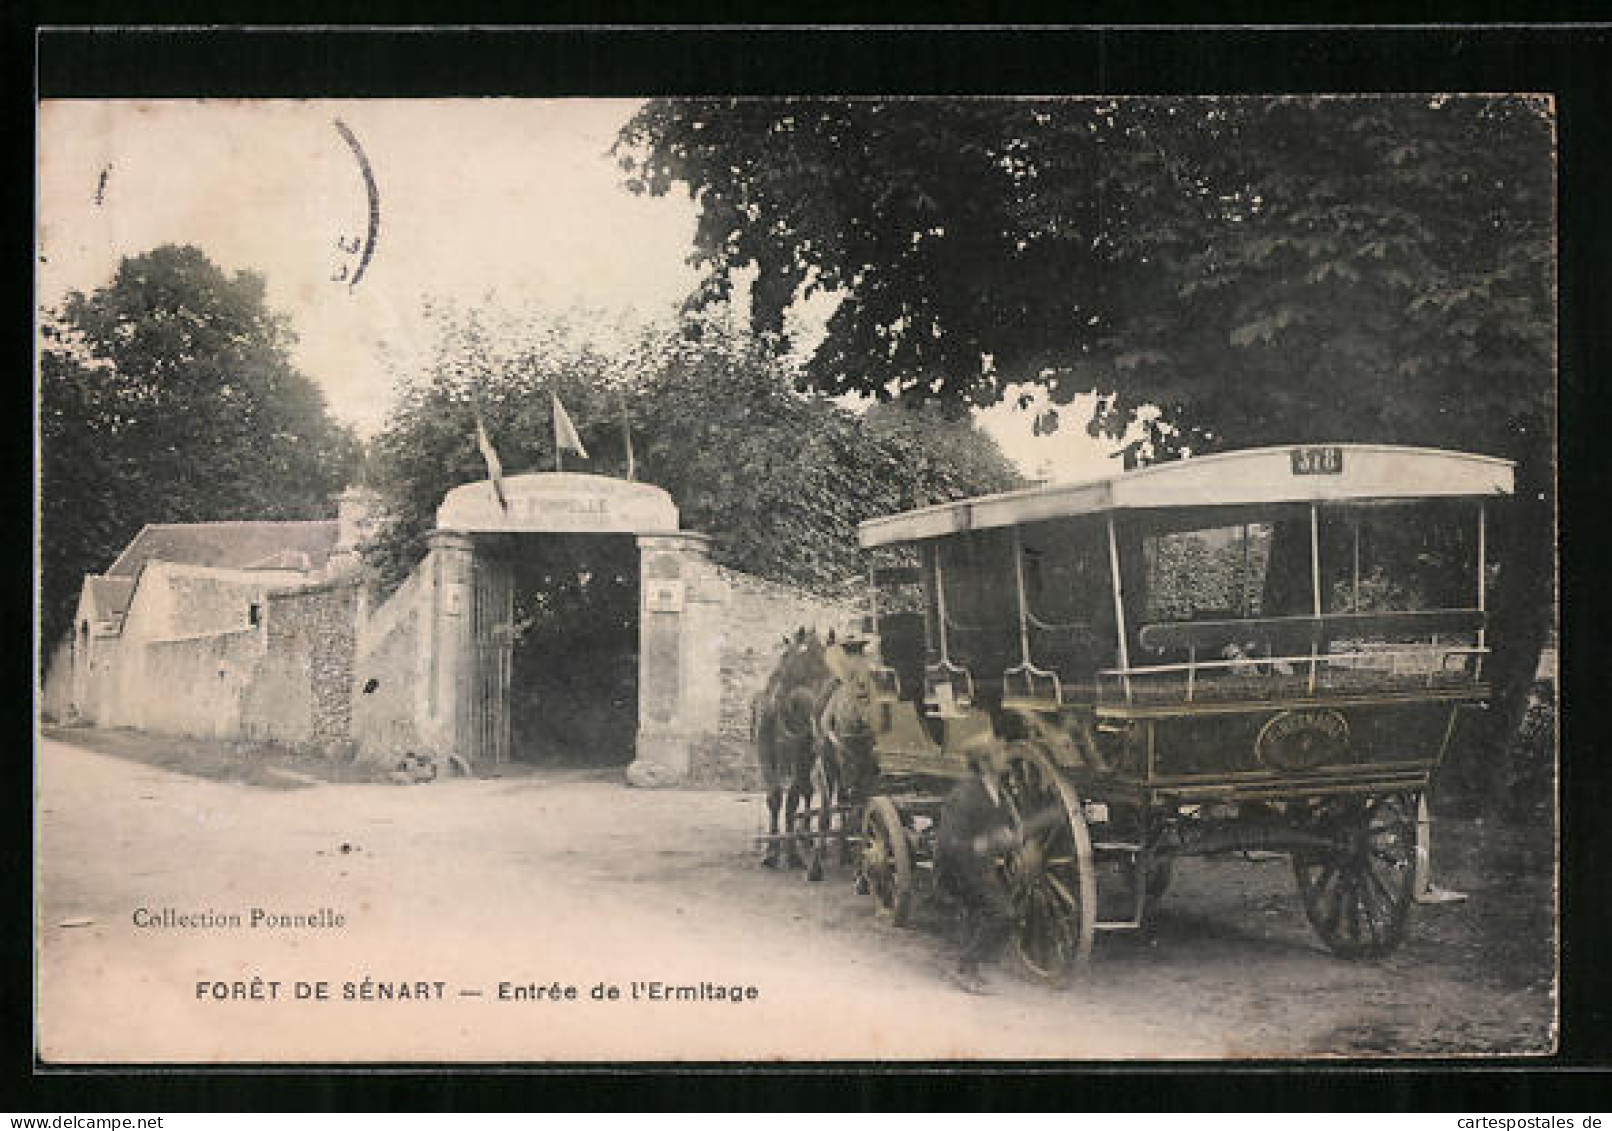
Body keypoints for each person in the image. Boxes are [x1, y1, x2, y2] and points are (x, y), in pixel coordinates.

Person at [935, 751, 1020, 994]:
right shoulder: (965, 793)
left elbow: (998, 822)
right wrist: (981, 843)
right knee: (1003, 912)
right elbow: (950, 843)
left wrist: (1004, 834)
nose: (1005, 757)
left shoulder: (994, 789)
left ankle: (973, 964)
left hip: (978, 865)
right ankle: (965, 967)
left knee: (994, 910)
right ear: (985, 762)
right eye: (999, 754)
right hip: (957, 868)